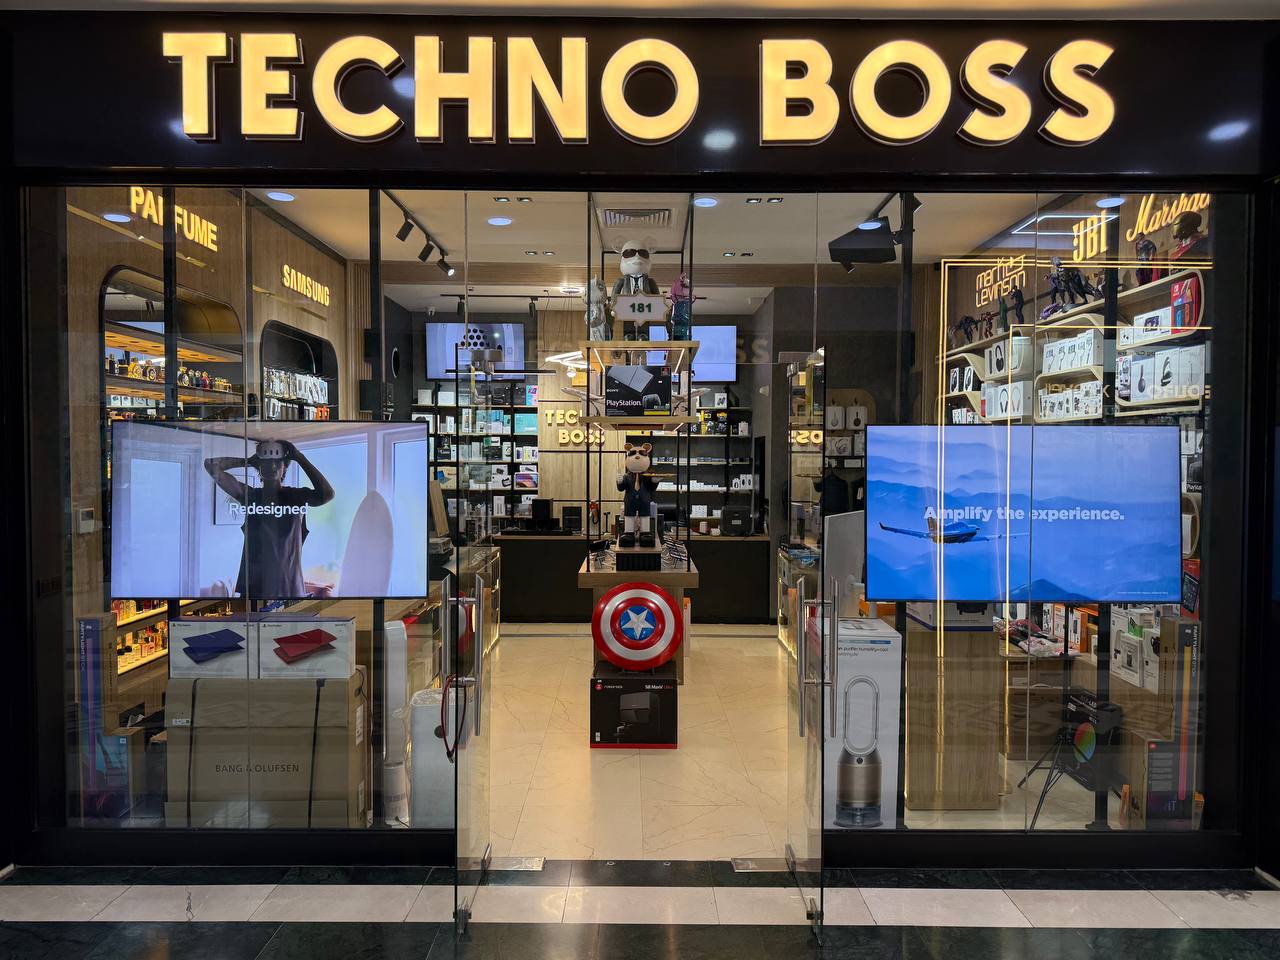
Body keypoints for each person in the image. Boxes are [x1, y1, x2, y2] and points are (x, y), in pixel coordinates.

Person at [204, 438, 335, 599]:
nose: (272, 467)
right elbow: (210, 465)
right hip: (256, 587)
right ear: (259, 467)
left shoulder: (296, 497)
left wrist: (299, 457)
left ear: (284, 468)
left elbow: (327, 494)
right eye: (266, 463)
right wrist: (247, 462)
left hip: (289, 586)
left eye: (277, 463)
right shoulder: (251, 496)